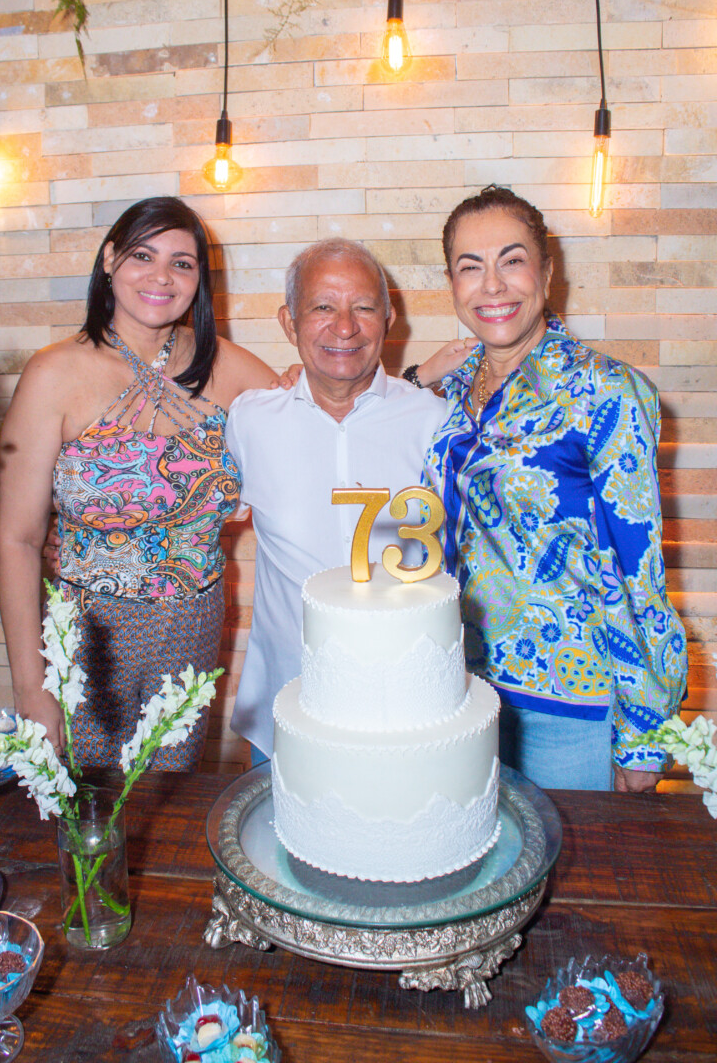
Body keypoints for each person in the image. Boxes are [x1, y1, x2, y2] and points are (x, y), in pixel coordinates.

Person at [411, 186, 687, 791]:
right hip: (459, 692)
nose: (492, 285)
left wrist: (644, 734)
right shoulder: (451, 392)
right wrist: (414, 375)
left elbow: (639, 568)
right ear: (452, 284)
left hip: (567, 705)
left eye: (511, 260)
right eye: (470, 267)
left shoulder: (605, 391)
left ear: (547, 272)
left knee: (571, 854)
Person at [0, 196, 276, 769]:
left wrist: (416, 381)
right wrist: (29, 686)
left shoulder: (229, 367)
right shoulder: (54, 373)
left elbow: (315, 421)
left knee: (167, 802)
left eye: (182, 263)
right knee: (84, 806)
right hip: (88, 638)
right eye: (143, 256)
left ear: (199, 279)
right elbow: (16, 538)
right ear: (109, 260)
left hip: (192, 631)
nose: (161, 276)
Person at [226, 238, 448, 761]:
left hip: (407, 705)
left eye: (363, 308)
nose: (344, 327)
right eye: (323, 307)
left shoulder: (435, 421)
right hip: (286, 702)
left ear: (388, 320)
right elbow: (191, 515)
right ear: (289, 323)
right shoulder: (250, 420)